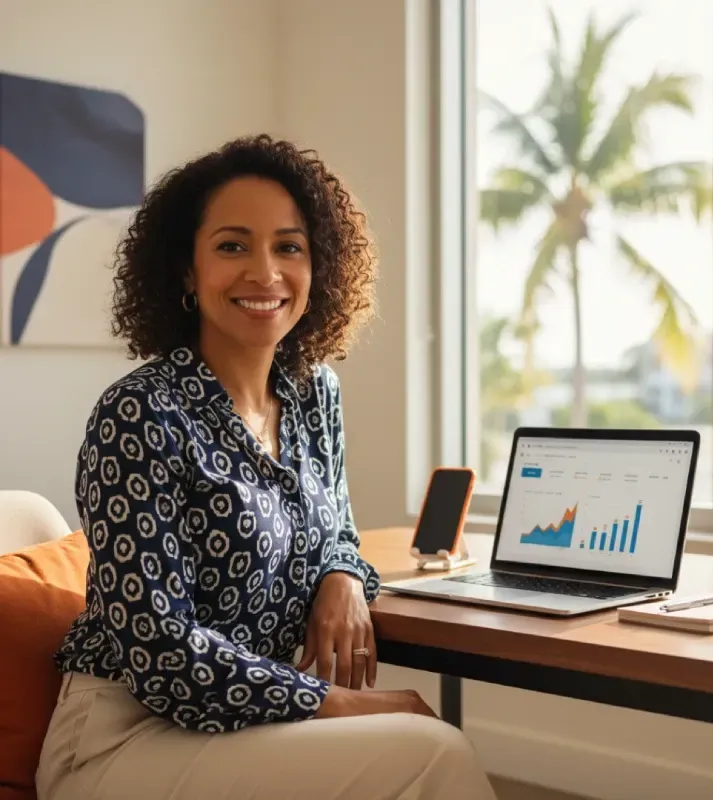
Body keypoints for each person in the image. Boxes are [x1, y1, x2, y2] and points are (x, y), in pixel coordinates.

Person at [36, 135, 498, 800]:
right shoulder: (139, 414)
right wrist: (339, 702)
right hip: (125, 734)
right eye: (232, 246)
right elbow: (162, 650)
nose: (265, 271)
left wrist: (341, 573)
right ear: (186, 271)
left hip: (250, 723)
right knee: (432, 753)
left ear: (320, 267)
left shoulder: (315, 394)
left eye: (289, 246)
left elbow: (338, 526)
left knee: (419, 750)